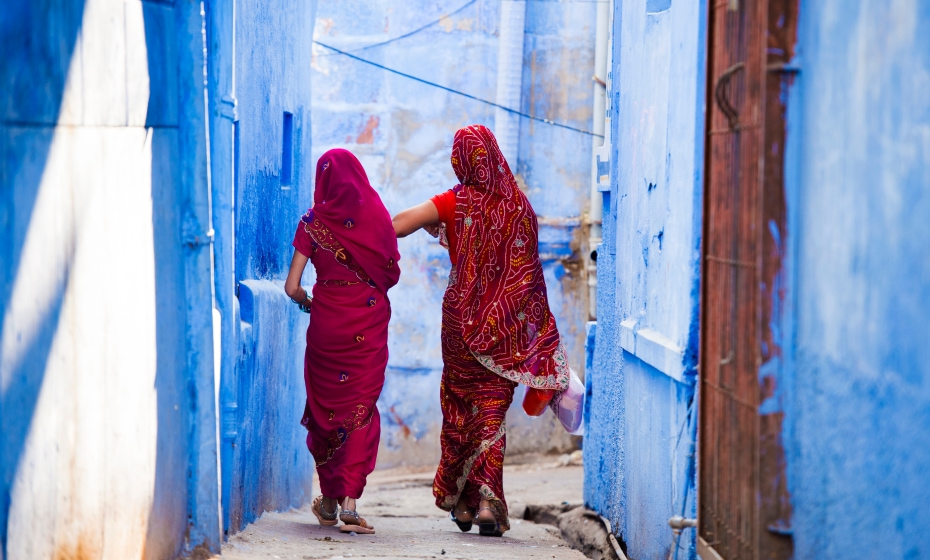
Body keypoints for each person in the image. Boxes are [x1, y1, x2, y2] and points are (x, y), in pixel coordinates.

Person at [391, 125, 570, 537]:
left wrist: (433, 225)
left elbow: (397, 224)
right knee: (491, 412)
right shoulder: (520, 207)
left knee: (460, 409)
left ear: (460, 159)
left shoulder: (456, 202)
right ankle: (488, 502)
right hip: (505, 327)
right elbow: (526, 274)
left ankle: (463, 505)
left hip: (459, 323)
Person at [284, 148, 400, 535]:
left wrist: (309, 303)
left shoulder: (312, 222)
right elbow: (391, 272)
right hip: (366, 322)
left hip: (326, 325)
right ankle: (347, 503)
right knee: (360, 407)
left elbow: (292, 287)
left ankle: (330, 499)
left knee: (326, 411)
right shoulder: (378, 217)